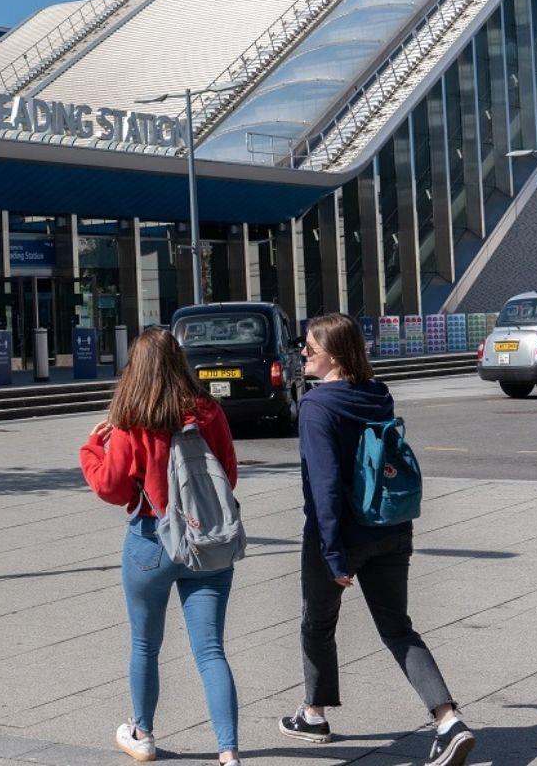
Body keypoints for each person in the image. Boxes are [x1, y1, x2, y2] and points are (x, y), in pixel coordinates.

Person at [280, 312, 476, 766]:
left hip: (341, 535)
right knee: (398, 629)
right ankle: (448, 721)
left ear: (335, 353)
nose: (303, 352)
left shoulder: (317, 406)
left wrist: (331, 553)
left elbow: (325, 486)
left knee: (317, 622)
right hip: (391, 526)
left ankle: (314, 713)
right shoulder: (377, 394)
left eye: (311, 346)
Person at [80, 325, 242, 765]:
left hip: (151, 542)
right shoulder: (208, 411)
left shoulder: (131, 419)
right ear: (179, 361)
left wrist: (93, 447)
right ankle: (228, 753)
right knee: (210, 651)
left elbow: (112, 488)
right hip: (206, 544)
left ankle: (143, 733)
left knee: (145, 645)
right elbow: (227, 474)